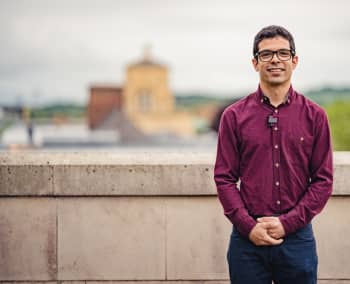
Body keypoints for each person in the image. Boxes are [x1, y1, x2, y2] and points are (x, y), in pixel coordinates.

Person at [214, 25, 333, 284]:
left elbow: (323, 180)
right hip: (247, 243)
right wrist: (249, 226)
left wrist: (287, 224)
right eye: (266, 54)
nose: (275, 60)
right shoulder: (234, 117)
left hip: (297, 240)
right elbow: (224, 178)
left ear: (295, 60)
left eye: (283, 53)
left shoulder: (315, 117)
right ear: (255, 63)